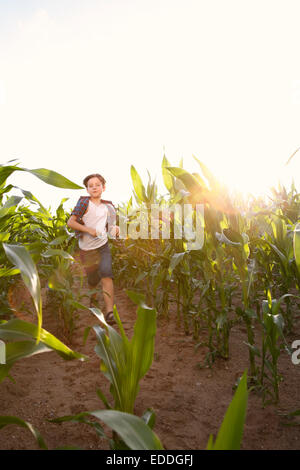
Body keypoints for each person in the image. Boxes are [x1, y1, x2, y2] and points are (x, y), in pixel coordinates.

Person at [67, 173, 119, 325]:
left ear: (103, 187)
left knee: (106, 274)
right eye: (91, 185)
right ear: (87, 189)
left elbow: (111, 227)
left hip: (102, 246)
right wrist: (88, 230)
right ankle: (93, 299)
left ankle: (109, 312)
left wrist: (115, 229)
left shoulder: (108, 206)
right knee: (93, 279)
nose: (94, 187)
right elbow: (71, 222)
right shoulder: (84, 203)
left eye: (97, 185)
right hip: (87, 250)